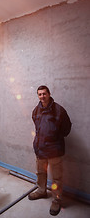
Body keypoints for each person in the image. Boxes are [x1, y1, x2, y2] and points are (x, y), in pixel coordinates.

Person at [28, 85, 71, 216]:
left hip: (54, 150)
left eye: (44, 94)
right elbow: (38, 128)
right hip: (40, 149)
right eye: (39, 94)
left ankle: (57, 200)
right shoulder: (36, 111)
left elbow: (66, 129)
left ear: (49, 94)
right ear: (38, 96)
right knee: (41, 173)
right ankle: (41, 191)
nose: (42, 96)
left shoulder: (59, 110)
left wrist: (54, 138)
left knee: (57, 177)